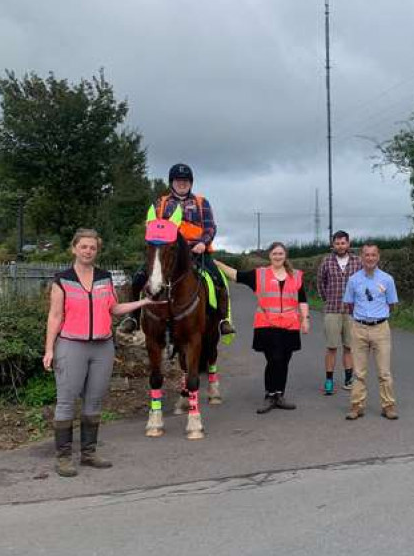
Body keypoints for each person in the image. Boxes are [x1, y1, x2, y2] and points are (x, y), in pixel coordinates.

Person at [43, 228, 162, 477]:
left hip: (102, 347)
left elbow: (115, 308)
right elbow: (54, 317)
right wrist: (49, 350)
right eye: (83, 246)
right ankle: (63, 457)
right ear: (74, 248)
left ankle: (88, 453)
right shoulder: (62, 279)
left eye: (93, 247)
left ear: (97, 251)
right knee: (66, 402)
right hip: (71, 345)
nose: (88, 251)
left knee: (94, 401)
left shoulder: (105, 278)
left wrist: (144, 302)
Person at [123, 162, 234, 336]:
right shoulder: (161, 203)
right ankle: (133, 318)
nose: (182, 184)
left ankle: (222, 320)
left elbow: (210, 227)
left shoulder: (201, 202)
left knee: (217, 279)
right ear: (171, 183)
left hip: (196, 250)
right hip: (167, 251)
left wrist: (203, 243)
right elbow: (152, 226)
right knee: (138, 278)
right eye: (178, 181)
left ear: (191, 183)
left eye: (186, 181)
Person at [215, 242, 310, 414]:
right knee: (273, 359)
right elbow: (235, 275)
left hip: (290, 324)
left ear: (285, 256)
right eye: (275, 253)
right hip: (267, 324)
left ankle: (280, 394)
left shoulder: (296, 276)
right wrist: (214, 263)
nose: (278, 256)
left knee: (284, 361)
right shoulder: (259, 275)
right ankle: (270, 395)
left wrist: (305, 319)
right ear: (270, 256)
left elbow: (302, 299)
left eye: (281, 253)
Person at [343, 243, 399, 420]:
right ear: (361, 257)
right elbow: (350, 304)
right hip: (359, 328)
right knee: (359, 372)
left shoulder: (387, 279)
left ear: (378, 257)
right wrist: (361, 320)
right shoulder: (353, 280)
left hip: (381, 328)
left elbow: (391, 304)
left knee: (384, 372)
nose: (370, 258)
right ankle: (356, 406)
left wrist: (378, 317)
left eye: (373, 255)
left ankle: (388, 406)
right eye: (366, 255)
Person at [316, 230, 361, 395]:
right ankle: (329, 380)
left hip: (352, 311)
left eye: (343, 243)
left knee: (349, 347)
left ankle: (349, 379)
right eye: (337, 243)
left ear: (348, 244)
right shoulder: (326, 261)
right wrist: (326, 299)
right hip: (332, 310)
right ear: (333, 245)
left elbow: (363, 283)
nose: (340, 246)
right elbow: (320, 282)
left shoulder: (358, 261)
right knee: (332, 347)